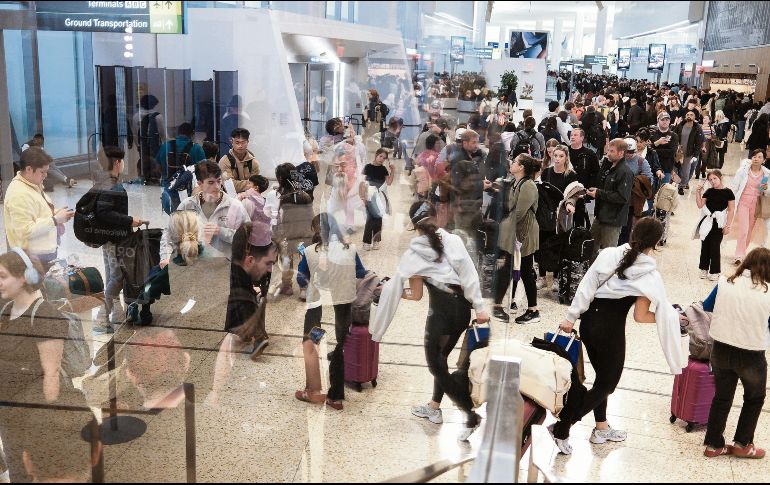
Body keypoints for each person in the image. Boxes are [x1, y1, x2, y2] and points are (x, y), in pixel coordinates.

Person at [551, 218, 684, 455]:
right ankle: (562, 427)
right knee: (607, 384)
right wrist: (672, 316)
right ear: (656, 243)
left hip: (589, 325)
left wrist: (570, 318)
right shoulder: (649, 274)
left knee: (601, 380)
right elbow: (641, 316)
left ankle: (601, 428)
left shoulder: (608, 254)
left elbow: (586, 287)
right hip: (610, 332)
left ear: (633, 232)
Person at [370, 202, 489, 441]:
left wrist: (389, 291)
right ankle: (434, 407)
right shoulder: (453, 240)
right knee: (441, 361)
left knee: (436, 366)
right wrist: (479, 307)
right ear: (437, 218)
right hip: (461, 312)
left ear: (415, 226)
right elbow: (469, 274)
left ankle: (470, 414)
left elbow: (415, 295)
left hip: (440, 315)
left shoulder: (414, 253)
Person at [701, 248, 770, 459]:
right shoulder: (768, 292)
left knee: (721, 398)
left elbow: (707, 306)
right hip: (751, 354)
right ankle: (743, 444)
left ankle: (713, 445)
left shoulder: (725, 282)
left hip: (721, 349)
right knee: (754, 398)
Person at [295, 214, 365, 411]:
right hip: (342, 305)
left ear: (315, 230)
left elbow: (301, 279)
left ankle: (312, 391)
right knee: (340, 347)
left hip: (318, 308)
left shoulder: (310, 251)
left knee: (312, 345)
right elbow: (360, 272)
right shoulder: (349, 248)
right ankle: (336, 397)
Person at [92, 146, 145, 333]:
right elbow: (104, 212)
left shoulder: (101, 181)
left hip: (107, 239)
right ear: (117, 162)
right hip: (116, 240)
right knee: (118, 278)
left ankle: (116, 316)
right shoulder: (113, 185)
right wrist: (130, 220)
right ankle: (101, 319)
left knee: (112, 277)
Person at [160, 161, 249, 268]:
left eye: (219, 181)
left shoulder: (235, 206)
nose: (217, 187)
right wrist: (165, 257)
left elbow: (247, 238)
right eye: (211, 182)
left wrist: (221, 231)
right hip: (192, 268)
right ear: (200, 184)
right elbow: (169, 233)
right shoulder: (187, 205)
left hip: (225, 268)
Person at [3, 147, 74, 271]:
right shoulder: (19, 194)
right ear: (29, 169)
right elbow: (25, 231)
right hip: (32, 260)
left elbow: (37, 212)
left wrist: (57, 213)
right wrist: (55, 220)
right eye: (42, 172)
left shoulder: (32, 185)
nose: (45, 176)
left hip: (41, 255)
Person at [494, 155, 541, 324]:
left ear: (521, 167)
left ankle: (533, 310)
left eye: (514, 162)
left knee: (525, 270)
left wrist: (503, 224)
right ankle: (498, 305)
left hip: (524, 234)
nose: (512, 163)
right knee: (509, 268)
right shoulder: (516, 182)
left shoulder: (528, 185)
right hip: (515, 233)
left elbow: (519, 213)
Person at [537, 146, 577, 291]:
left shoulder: (570, 175)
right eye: (555, 155)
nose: (557, 159)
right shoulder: (547, 172)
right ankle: (542, 277)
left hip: (561, 215)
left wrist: (570, 204)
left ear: (566, 158)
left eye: (561, 156)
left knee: (558, 247)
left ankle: (555, 278)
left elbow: (572, 194)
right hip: (545, 214)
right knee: (542, 244)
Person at [587, 139, 634, 262]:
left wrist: (599, 193)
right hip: (600, 216)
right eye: (608, 150)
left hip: (613, 220)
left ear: (621, 153)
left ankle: (607, 274)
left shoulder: (625, 172)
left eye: (612, 151)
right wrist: (597, 190)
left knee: (609, 253)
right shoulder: (609, 167)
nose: (608, 153)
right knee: (591, 246)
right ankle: (592, 270)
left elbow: (622, 197)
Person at [155, 122, 206, 214]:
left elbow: (157, 167)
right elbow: (205, 171)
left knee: (175, 218)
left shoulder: (165, 146)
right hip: (190, 193)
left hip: (169, 192)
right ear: (192, 134)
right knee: (190, 219)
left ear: (178, 133)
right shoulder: (197, 148)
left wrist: (167, 178)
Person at [730, 150, 770, 265]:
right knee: (744, 229)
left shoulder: (766, 174)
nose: (756, 159)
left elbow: (766, 191)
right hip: (743, 202)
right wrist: (729, 200)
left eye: (759, 157)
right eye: (754, 156)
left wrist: (765, 188)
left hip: (756, 204)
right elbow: (734, 186)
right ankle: (739, 255)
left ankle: (743, 253)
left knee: (749, 231)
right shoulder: (743, 171)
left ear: (764, 160)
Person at [695, 170, 735, 281]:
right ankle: (703, 269)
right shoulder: (709, 191)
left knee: (715, 246)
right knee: (705, 246)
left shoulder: (728, 192)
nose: (712, 181)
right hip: (707, 221)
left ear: (720, 178)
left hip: (719, 223)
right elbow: (700, 205)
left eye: (715, 178)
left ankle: (715, 271)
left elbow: (731, 210)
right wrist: (698, 193)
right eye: (710, 180)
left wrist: (728, 226)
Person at [359, 148, 395, 250]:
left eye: (384, 158)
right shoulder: (367, 167)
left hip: (380, 196)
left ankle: (376, 241)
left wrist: (393, 171)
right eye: (380, 156)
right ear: (376, 155)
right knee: (370, 219)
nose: (382, 159)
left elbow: (389, 182)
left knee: (379, 219)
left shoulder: (383, 169)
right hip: (369, 195)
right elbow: (362, 183)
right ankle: (366, 242)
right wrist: (362, 197)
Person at [218, 128, 260, 193]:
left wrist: (252, 184)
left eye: (243, 142)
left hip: (249, 196)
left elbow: (256, 185)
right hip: (229, 197)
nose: (240, 146)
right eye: (237, 142)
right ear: (232, 142)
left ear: (247, 142)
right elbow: (230, 186)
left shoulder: (253, 162)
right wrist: (251, 183)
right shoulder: (224, 161)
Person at [675, 110, 705, 195]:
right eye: (687, 114)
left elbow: (699, 142)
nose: (689, 116)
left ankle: (681, 186)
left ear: (694, 117)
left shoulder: (697, 128)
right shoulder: (680, 125)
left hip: (689, 154)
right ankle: (682, 182)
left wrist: (695, 155)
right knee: (677, 169)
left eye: (691, 115)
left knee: (686, 172)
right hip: (678, 152)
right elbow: (674, 135)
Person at [650, 111, 680, 185]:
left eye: (667, 120)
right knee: (651, 190)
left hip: (667, 168)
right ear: (658, 121)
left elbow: (671, 152)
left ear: (669, 121)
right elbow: (648, 150)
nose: (665, 122)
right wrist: (657, 142)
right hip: (652, 167)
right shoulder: (652, 134)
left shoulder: (674, 136)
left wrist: (655, 150)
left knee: (664, 190)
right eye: (662, 119)